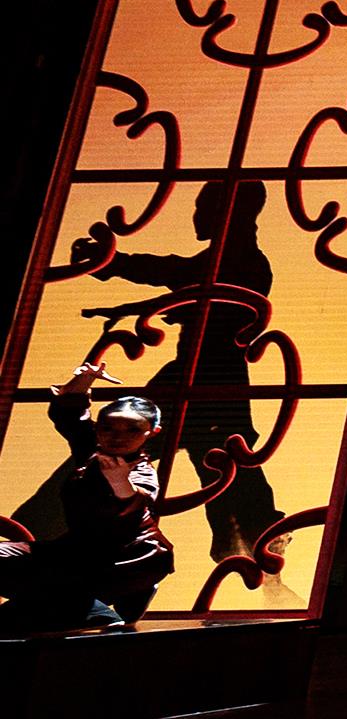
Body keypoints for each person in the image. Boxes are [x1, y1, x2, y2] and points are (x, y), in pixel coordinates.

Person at [66, 182, 282, 564]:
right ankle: (253, 545)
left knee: (215, 463)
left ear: (228, 213)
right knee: (219, 464)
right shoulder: (232, 260)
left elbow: (177, 276)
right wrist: (118, 272)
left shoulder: (239, 262)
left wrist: (117, 270)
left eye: (202, 208)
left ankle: (253, 544)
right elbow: (172, 272)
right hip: (201, 377)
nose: (196, 216)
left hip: (206, 378)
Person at [0, 363, 171, 629]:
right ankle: (88, 607)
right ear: (99, 428)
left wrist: (120, 481)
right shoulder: (93, 449)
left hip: (131, 557)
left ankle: (100, 612)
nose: (117, 437)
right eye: (108, 428)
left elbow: (136, 500)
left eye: (132, 430)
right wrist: (85, 378)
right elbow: (71, 414)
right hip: (81, 550)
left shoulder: (140, 470)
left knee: (44, 591)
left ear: (152, 432)